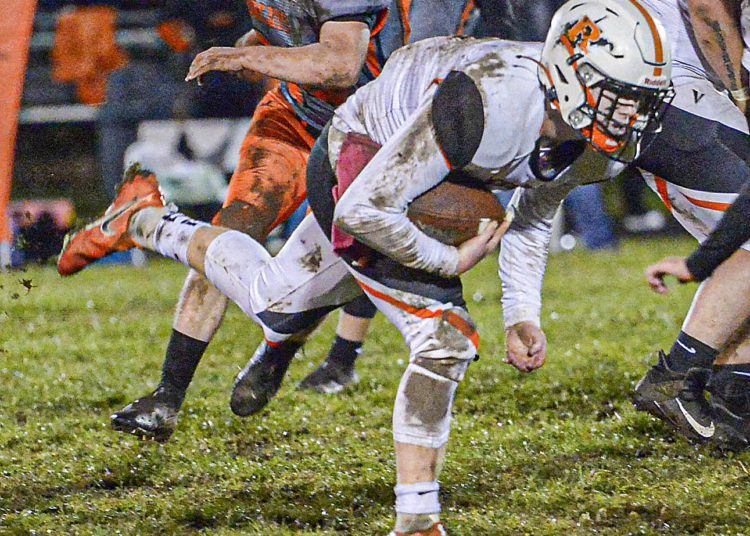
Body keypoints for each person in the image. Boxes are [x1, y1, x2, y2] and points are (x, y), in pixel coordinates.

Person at [58, 1, 673, 532]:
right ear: (567, 75)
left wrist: (522, 312)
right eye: (618, 96)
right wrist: (448, 259)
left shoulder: (602, 147)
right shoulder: (488, 100)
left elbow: (532, 218)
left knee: (276, 300)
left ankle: (147, 219)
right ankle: (417, 517)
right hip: (361, 156)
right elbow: (365, 208)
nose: (629, 115)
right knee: (443, 338)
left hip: (407, 165)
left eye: (639, 100)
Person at [60, 0, 392, 442]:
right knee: (227, 235)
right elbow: (293, 31)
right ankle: (167, 397)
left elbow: (340, 64)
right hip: (294, 119)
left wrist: (243, 56)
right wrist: (254, 46)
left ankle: (286, 352)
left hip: (368, 134)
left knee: (341, 260)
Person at [299, 0, 481, 394]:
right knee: (363, 235)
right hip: (382, 100)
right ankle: (331, 355)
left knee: (380, 228)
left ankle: (346, 356)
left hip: (421, 104)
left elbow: (428, 46)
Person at [630, 0, 750, 450]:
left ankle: (732, 391)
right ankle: (676, 374)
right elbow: (706, 9)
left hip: (667, 71)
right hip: (654, 74)